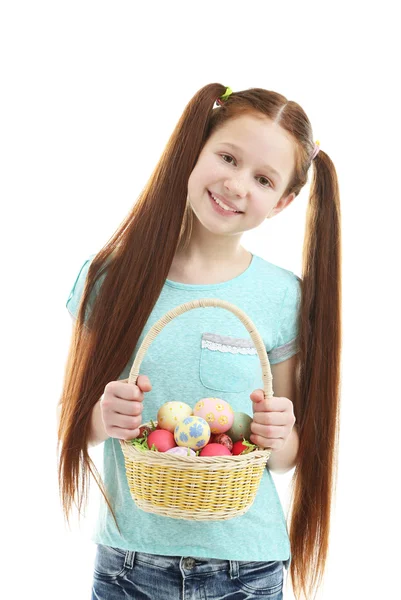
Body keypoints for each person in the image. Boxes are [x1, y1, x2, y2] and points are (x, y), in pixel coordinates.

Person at [57, 84, 342, 600]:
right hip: (129, 564)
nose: (236, 185)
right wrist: (105, 415)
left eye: (262, 178)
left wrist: (281, 432)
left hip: (246, 571)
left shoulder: (282, 297)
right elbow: (76, 422)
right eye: (228, 157)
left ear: (283, 202)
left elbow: (284, 460)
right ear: (195, 148)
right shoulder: (111, 278)